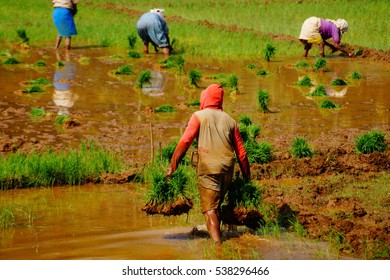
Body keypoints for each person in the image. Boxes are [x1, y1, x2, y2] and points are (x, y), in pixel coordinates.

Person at [166, 84, 251, 244]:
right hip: (227, 169)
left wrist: (173, 165)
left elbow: (185, 141)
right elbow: (242, 153)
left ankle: (218, 247)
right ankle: (223, 235)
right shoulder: (231, 121)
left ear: (205, 98)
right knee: (216, 205)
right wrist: (247, 176)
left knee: (209, 209)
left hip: (208, 168)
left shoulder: (199, 116)